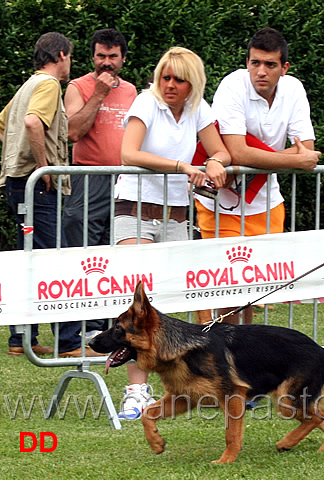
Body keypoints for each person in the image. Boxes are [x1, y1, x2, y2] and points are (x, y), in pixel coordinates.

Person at [113, 46, 230, 420]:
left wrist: (213, 160)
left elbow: (221, 152)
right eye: (166, 76)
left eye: (179, 79)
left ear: (192, 83)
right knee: (138, 304)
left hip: (177, 217)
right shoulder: (146, 102)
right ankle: (134, 390)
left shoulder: (198, 107)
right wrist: (183, 165)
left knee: (170, 305)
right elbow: (129, 153)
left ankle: (175, 387)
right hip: (134, 210)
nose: (171, 85)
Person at [195, 26, 321, 325]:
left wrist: (275, 159)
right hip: (221, 202)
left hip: (267, 202)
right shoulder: (232, 85)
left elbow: (309, 149)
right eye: (255, 63)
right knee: (222, 285)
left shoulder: (294, 89)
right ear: (247, 62)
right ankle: (210, 354)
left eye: (270, 64)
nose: (260, 71)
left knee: (250, 290)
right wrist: (293, 160)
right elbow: (237, 152)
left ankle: (239, 358)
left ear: (284, 67)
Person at [0, 32, 99, 357]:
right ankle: (68, 342)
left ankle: (21, 340)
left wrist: (16, 157)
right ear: (60, 55)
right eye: (69, 56)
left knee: (28, 261)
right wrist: (44, 169)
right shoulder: (48, 85)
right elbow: (32, 123)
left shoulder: (27, 85)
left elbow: (4, 123)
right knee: (56, 262)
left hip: (17, 182)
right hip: (37, 184)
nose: (70, 63)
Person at [63, 28, 137, 338]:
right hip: (89, 176)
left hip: (125, 179)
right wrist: (99, 94)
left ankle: (111, 326)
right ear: (92, 56)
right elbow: (73, 132)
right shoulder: (78, 87)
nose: (106, 62)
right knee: (85, 252)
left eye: (112, 57)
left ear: (123, 59)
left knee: (117, 253)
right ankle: (81, 325)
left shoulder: (132, 91)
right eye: (101, 56)